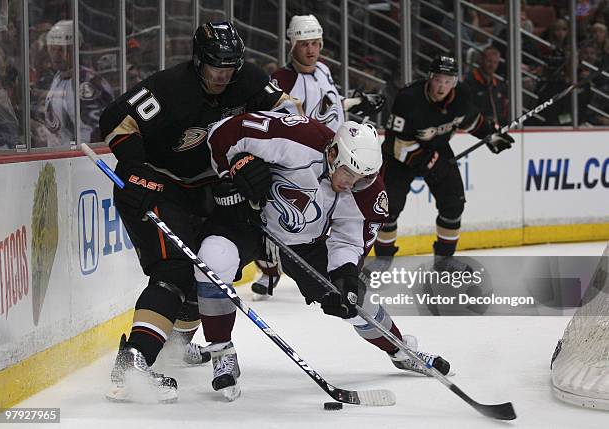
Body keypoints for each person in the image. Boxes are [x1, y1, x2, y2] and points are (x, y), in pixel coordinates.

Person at [192, 111, 450, 400]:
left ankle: (400, 349)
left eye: (362, 177)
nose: (352, 182)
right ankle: (221, 352)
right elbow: (223, 132)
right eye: (349, 173)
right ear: (335, 152)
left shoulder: (368, 192)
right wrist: (235, 168)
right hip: (250, 217)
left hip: (304, 241)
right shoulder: (299, 137)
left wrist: (344, 277)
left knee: (354, 299)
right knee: (213, 257)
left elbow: (348, 240)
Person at [100, 21, 292, 403]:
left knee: (205, 268)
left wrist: (259, 160)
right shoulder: (170, 87)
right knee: (172, 269)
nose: (224, 73)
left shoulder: (248, 80)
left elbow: (290, 117)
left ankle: (174, 345)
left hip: (209, 189)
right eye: (215, 65)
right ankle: (133, 362)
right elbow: (115, 120)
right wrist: (136, 168)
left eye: (230, 65)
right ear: (198, 60)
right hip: (157, 188)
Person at [249, 14, 385, 301]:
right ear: (292, 44)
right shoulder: (282, 79)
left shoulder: (323, 70)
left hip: (339, 161)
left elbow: (329, 106)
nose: (311, 50)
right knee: (293, 217)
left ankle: (344, 268)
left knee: (341, 218)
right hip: (304, 160)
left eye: (315, 43)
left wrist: (358, 102)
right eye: (304, 44)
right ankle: (269, 269)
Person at [375, 55, 514, 269]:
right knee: (389, 209)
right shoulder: (408, 97)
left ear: (455, 82)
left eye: (448, 81)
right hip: (399, 157)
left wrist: (490, 135)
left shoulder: (461, 96)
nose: (442, 86)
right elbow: (396, 143)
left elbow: (470, 120)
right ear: (430, 78)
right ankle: (382, 261)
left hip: (438, 148)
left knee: (453, 203)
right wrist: (429, 161)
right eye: (438, 79)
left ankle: (444, 261)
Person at [44, 20, 114, 147]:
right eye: (52, 49)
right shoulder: (58, 77)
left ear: (75, 49)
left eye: (61, 50)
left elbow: (97, 130)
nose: (56, 55)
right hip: (61, 157)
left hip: (83, 158)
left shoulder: (88, 83)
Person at [464, 46, 509, 126]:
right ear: (481, 60)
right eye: (489, 61)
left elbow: (504, 109)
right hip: (476, 129)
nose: (492, 65)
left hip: (496, 129)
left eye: (495, 62)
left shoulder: (499, 84)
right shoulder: (469, 81)